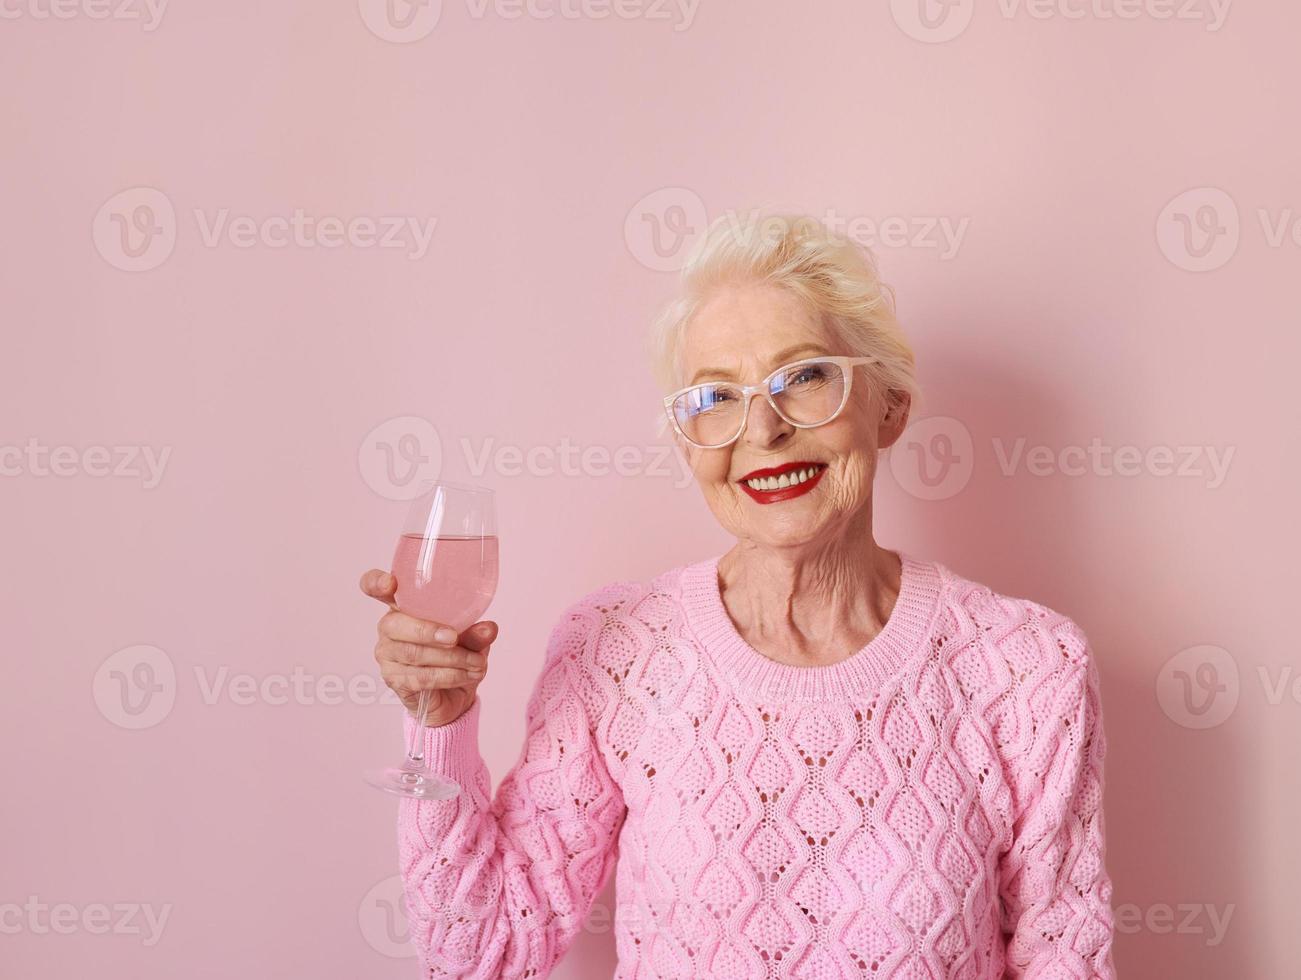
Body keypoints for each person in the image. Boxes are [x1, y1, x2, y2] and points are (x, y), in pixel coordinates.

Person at [360, 212, 1118, 978]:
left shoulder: (1027, 669)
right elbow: (480, 954)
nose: (763, 429)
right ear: (689, 444)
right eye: (714, 398)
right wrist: (442, 725)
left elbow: (1064, 960)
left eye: (805, 377)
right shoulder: (616, 649)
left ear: (888, 406)